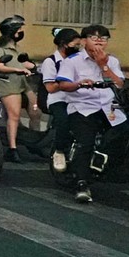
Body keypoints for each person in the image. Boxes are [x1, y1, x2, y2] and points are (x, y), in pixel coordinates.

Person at [56, 24, 129, 202]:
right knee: (86, 142)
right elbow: (63, 85)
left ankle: (104, 163)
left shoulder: (111, 61)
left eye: (103, 38)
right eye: (94, 37)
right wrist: (79, 84)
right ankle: (82, 184)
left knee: (127, 132)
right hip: (82, 107)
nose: (99, 41)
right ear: (83, 41)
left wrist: (103, 66)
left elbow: (119, 84)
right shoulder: (72, 61)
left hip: (109, 107)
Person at [0, 15, 40, 163]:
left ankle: (34, 140)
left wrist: (34, 66)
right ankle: (12, 148)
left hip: (23, 83)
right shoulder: (0, 49)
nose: (21, 32)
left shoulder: (17, 48)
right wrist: (16, 70)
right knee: (14, 116)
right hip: (8, 84)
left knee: (36, 111)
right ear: (12, 31)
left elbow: (23, 63)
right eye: (19, 29)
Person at [41, 28, 81, 173]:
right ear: (65, 44)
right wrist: (70, 83)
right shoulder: (51, 62)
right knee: (63, 121)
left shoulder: (79, 60)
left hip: (77, 98)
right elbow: (50, 87)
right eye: (75, 45)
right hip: (59, 99)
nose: (78, 48)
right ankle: (59, 151)